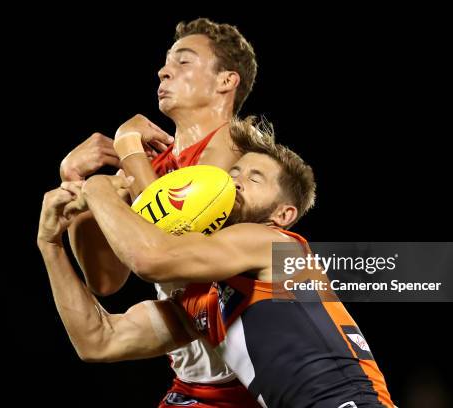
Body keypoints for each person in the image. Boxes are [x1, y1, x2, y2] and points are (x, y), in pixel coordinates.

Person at [38, 118, 395, 407]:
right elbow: (99, 340)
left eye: (254, 178)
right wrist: (50, 244)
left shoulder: (273, 244)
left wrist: (100, 186)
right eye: (235, 172)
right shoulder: (205, 298)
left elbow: (151, 257)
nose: (235, 182)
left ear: (283, 214)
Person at [58, 18, 260, 407]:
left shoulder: (237, 144)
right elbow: (105, 279)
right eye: (167, 63)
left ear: (226, 81)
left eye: (183, 62)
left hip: (253, 384)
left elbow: (171, 242)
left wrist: (128, 145)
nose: (164, 70)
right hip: (194, 383)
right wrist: (77, 185)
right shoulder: (152, 168)